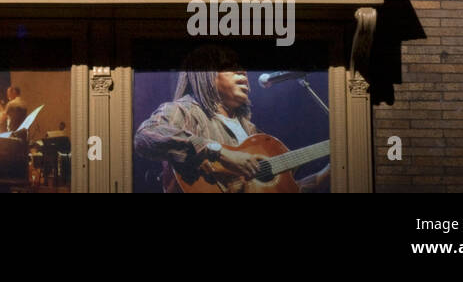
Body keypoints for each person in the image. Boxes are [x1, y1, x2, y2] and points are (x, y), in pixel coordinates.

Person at [134, 45, 329, 193]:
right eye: (229, 67)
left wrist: (324, 175)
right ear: (205, 75)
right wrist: (220, 153)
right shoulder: (185, 111)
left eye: (242, 67)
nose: (242, 71)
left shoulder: (252, 132)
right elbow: (146, 135)